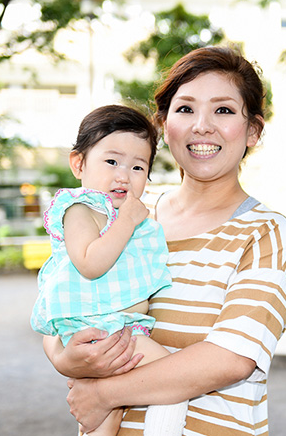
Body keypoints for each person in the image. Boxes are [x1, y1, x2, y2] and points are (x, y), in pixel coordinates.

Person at [44, 46, 286, 435]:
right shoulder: (127, 216)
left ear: (253, 130)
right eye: (185, 109)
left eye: (224, 110)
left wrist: (103, 395)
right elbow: (60, 293)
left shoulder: (265, 232)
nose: (202, 125)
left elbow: (231, 359)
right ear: (164, 126)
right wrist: (63, 358)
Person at [31, 104, 188, 436]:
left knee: (105, 418)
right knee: (173, 383)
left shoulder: (125, 219)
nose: (123, 175)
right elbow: (89, 263)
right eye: (112, 161)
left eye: (137, 167)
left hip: (116, 329)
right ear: (79, 163)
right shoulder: (81, 209)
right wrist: (129, 221)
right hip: (105, 328)